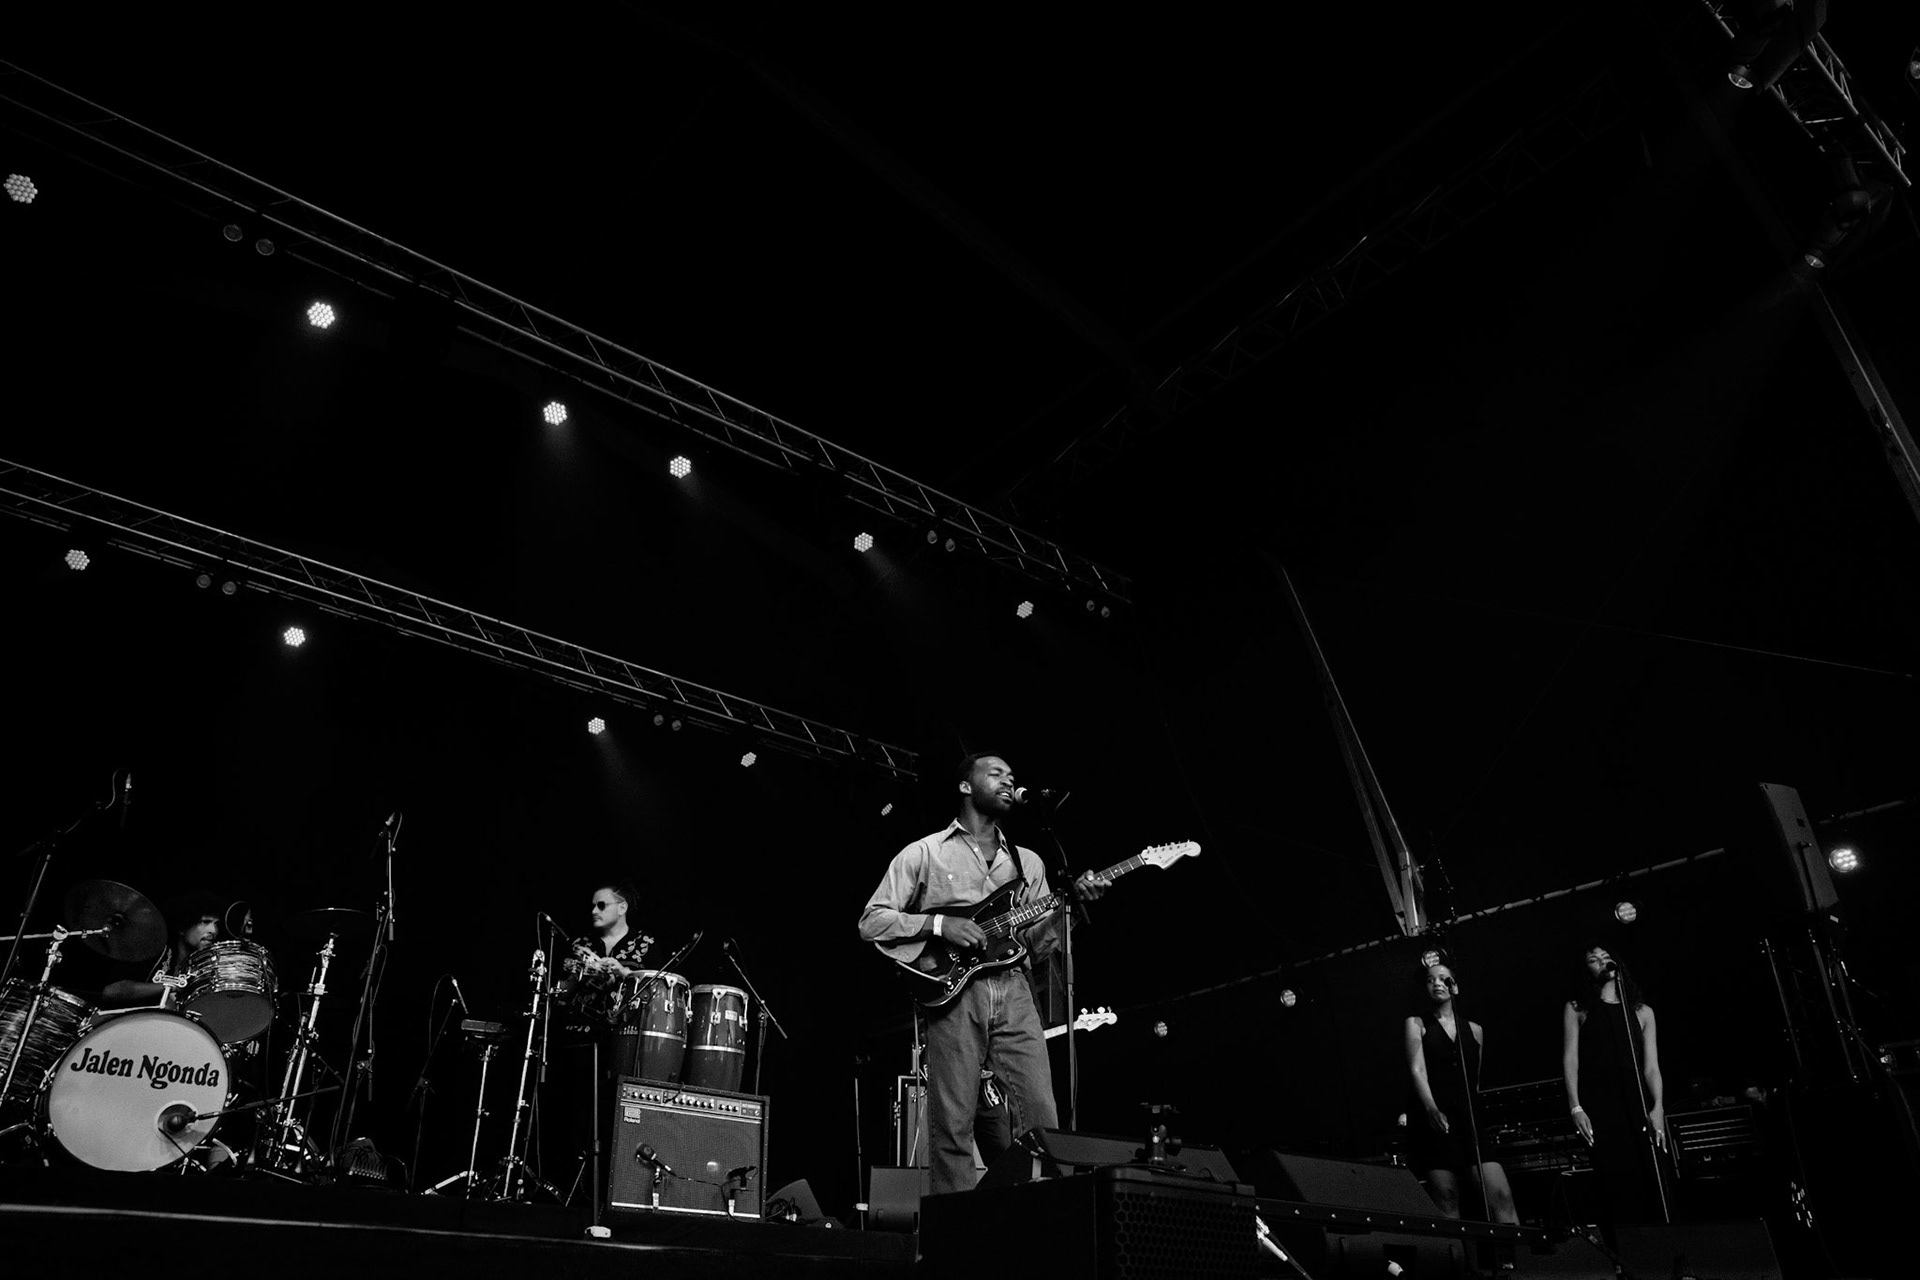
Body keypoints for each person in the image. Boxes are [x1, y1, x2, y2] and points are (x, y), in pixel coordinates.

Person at [858, 752, 1109, 1194]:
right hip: (955, 994)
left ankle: (1043, 1215)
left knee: (1041, 1116)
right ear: (966, 786)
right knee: (953, 1124)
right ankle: (954, 1228)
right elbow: (872, 921)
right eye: (996, 774)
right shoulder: (926, 852)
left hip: (1015, 990)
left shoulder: (1027, 862)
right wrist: (940, 924)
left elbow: (1036, 944)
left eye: (1012, 776)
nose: (1008, 781)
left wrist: (1070, 907)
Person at [1404, 959, 1519, 1226]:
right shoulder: (1416, 1023)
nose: (1437, 983)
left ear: (1454, 986)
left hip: (1468, 1120)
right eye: (1430, 980)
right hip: (1435, 1119)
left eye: (1443, 978)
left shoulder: (1475, 1030)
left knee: (1500, 1194)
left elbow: (1474, 1079)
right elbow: (1417, 1069)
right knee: (1446, 1197)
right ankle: (1456, 1253)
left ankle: (1517, 1250)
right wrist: (1431, 1108)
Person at [1562, 943, 1668, 1226]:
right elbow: (1571, 1060)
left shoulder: (1642, 1012)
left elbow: (1651, 1067)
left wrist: (1658, 1107)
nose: (1602, 962)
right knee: (1617, 1184)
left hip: (1638, 1103)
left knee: (1652, 1179)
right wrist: (1575, 1107)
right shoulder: (1577, 1008)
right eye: (1594, 960)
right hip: (1601, 1106)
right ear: (1587, 970)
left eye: (1606, 957)